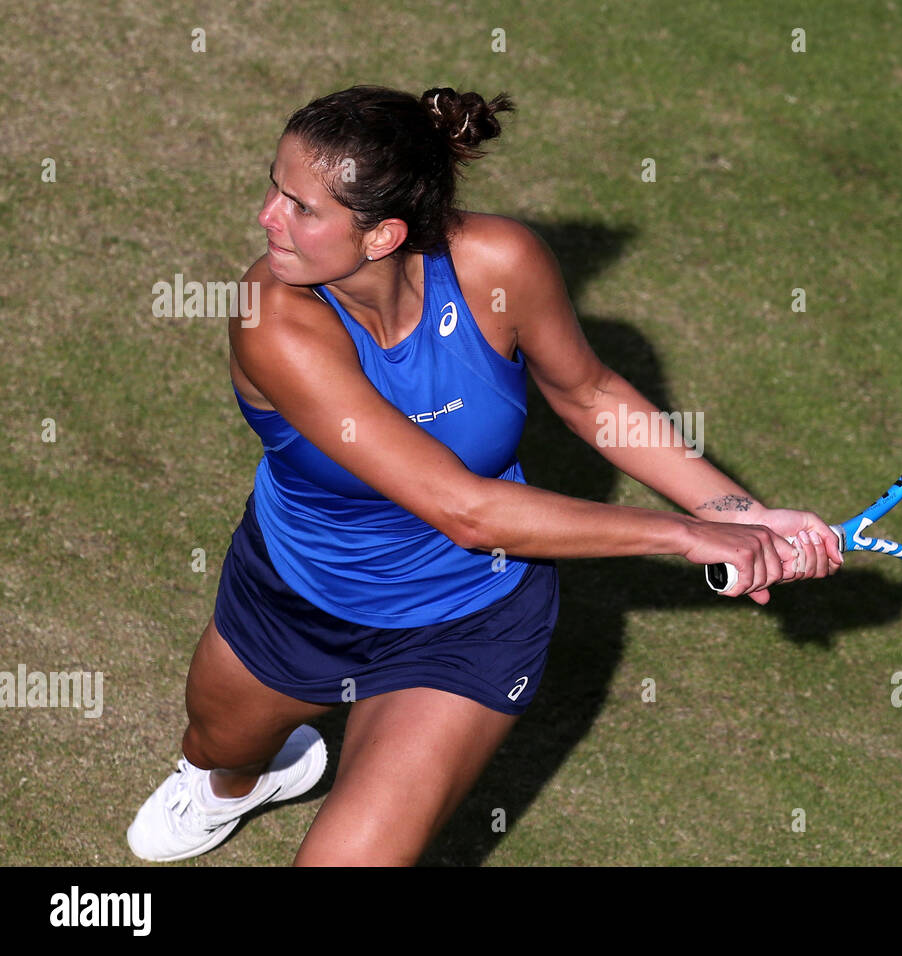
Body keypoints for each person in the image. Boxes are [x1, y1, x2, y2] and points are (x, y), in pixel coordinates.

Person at [127, 84, 843, 866]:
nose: (267, 216)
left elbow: (591, 395)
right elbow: (462, 508)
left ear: (382, 235)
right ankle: (238, 784)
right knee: (219, 747)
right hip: (301, 593)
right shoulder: (275, 318)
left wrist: (738, 510)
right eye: (276, 185)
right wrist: (686, 533)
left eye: (303, 208)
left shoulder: (500, 265)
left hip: (470, 617)